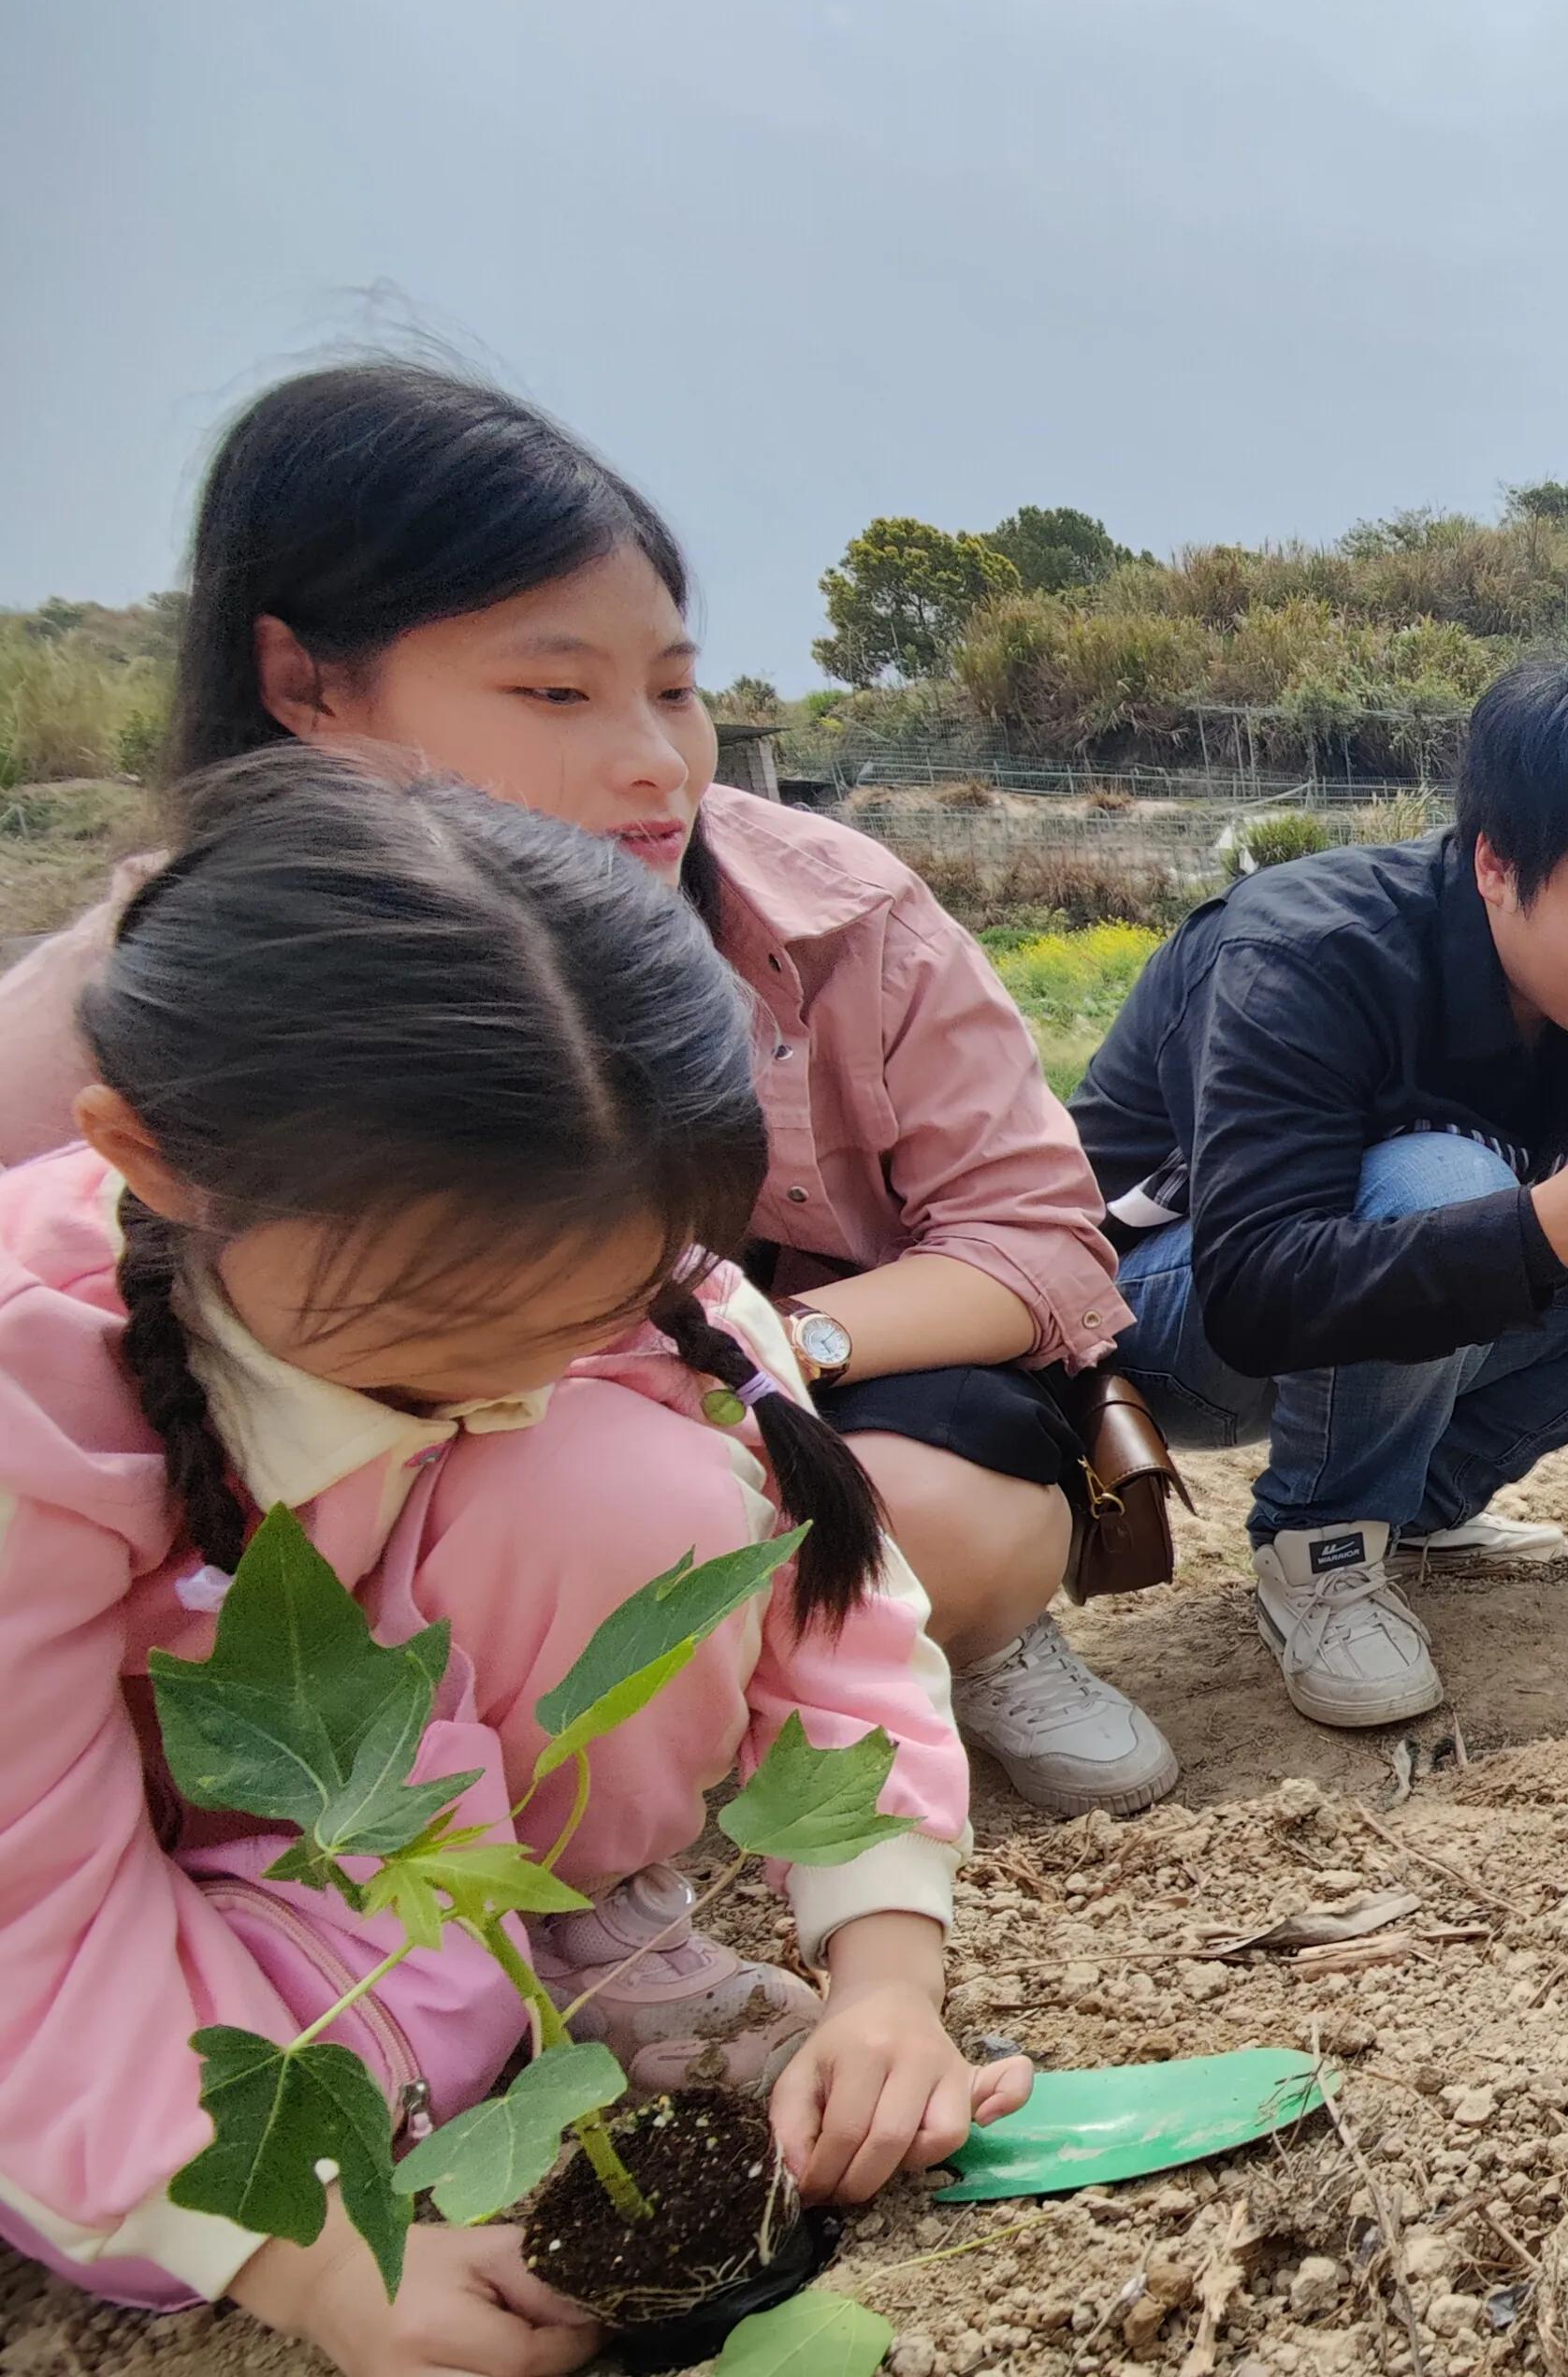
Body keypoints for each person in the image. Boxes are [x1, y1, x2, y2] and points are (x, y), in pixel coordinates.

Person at [0, 750, 1028, 2377]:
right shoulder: (38, 1398)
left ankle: (579, 1945)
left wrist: (886, 1976)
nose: (527, 1375)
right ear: (149, 1162)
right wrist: (316, 2262)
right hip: (192, 1905)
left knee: (649, 1496)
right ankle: (415, 2036)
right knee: (334, 2086)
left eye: (585, 1315)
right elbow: (38, 1914)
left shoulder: (620, 1280)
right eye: (442, 1336)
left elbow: (840, 1640)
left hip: (427, 1824)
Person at [0, 363, 1174, 1818]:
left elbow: (1038, 1236)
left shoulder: (833, 911)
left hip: (766, 1411)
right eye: (556, 692)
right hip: (362, 1505)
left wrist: (741, 1355)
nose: (655, 762)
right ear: (305, 687)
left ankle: (869, 1690)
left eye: (676, 690)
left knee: (847, 1502)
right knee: (578, 1505)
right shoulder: (147, 1005)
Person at [1072, 655, 1568, 1728]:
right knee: (1444, 1180)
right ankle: (1321, 1547)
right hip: (1139, 1320)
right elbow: (1253, 1289)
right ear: (1497, 863)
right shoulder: (1306, 951)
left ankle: (1409, 1512)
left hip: (1318, 1320)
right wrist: (1543, 1228)